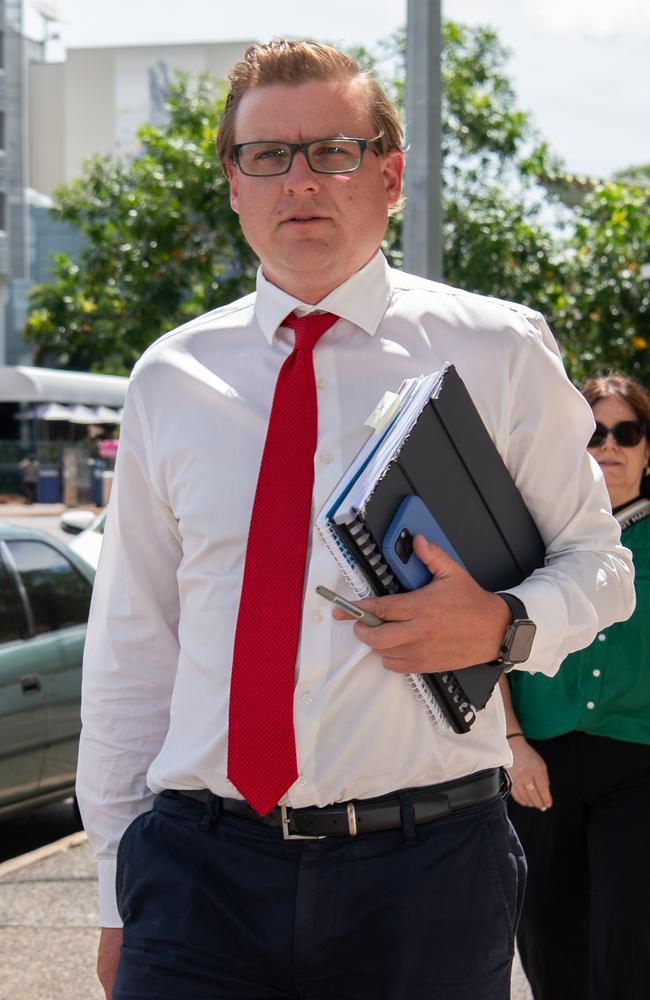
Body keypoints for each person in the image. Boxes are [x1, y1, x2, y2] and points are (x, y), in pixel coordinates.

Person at [76, 40, 635, 1000]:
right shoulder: (169, 378)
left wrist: (504, 624)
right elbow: (134, 644)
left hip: (426, 873)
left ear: (389, 173)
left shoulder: (497, 349)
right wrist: (114, 886)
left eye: (331, 151)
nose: (300, 180)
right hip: (199, 871)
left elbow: (601, 566)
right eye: (268, 156)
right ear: (234, 183)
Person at [501, 372, 650, 1000]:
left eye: (627, 432)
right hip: (541, 763)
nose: (609, 446)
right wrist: (511, 742)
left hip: (637, 764)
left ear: (648, 449)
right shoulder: (531, 537)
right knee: (545, 933)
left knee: (630, 938)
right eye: (594, 433)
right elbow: (492, 642)